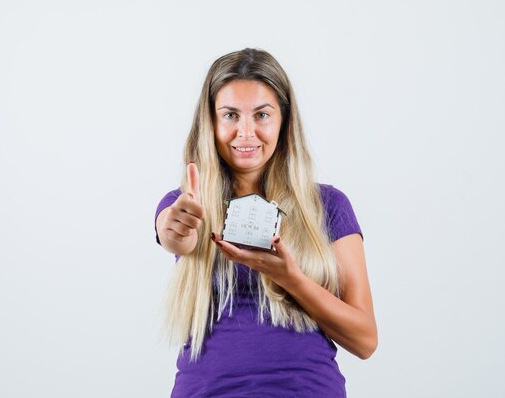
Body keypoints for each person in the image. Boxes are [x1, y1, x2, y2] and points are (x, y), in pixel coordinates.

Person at [154, 48, 377, 398]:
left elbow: (365, 341)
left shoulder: (329, 206)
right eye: (230, 115)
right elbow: (175, 235)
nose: (245, 133)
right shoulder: (188, 203)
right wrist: (174, 227)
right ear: (210, 122)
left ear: (284, 120)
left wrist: (290, 279)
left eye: (261, 115)